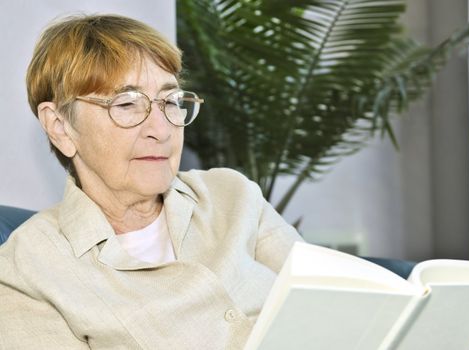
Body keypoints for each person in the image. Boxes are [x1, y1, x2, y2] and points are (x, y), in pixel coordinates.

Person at [0, 14, 301, 349]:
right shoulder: (28, 269)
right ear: (60, 126)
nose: (161, 129)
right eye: (126, 104)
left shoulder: (233, 195)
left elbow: (335, 296)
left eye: (170, 101)